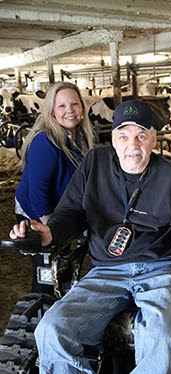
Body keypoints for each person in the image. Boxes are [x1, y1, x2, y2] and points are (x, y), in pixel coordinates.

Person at [10, 99, 171, 374]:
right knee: (51, 329)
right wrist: (50, 233)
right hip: (106, 272)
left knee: (160, 341)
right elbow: (71, 212)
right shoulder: (94, 165)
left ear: (153, 139)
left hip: (161, 270)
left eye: (140, 136)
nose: (132, 145)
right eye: (123, 136)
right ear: (113, 139)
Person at [15, 81, 94, 294]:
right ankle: (42, 311)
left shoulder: (82, 136)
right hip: (37, 212)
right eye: (62, 106)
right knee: (47, 268)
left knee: (63, 263)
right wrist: (52, 227)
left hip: (61, 210)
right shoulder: (46, 141)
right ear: (51, 110)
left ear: (82, 108)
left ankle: (62, 299)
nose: (70, 111)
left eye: (75, 104)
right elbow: (37, 190)